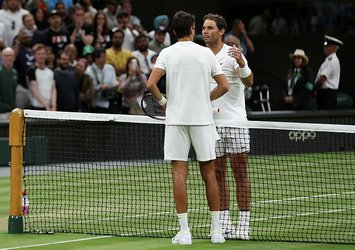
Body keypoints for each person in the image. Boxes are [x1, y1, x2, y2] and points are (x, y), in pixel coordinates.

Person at [146, 10, 229, 245]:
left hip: (176, 119)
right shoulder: (206, 53)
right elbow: (224, 86)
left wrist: (164, 104)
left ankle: (185, 233)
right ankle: (216, 232)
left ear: (174, 31)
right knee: (209, 174)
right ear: (192, 29)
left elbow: (151, 83)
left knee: (179, 174)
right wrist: (205, 99)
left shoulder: (166, 52)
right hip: (202, 119)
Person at [202, 13, 254, 240]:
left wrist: (242, 64)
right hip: (211, 123)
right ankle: (224, 223)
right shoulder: (201, 56)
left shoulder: (233, 53)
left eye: (210, 28)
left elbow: (249, 81)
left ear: (221, 31)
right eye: (203, 28)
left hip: (235, 122)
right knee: (218, 174)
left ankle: (244, 224)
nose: (205, 31)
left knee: (240, 172)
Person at [314, 35, 343, 110]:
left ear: (333, 47)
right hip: (326, 94)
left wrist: (314, 90)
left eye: (327, 45)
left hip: (327, 94)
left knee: (324, 118)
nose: (324, 47)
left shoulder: (331, 61)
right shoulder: (329, 60)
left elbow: (322, 79)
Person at [86, 48, 118, 113]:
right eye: (103, 57)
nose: (105, 59)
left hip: (110, 101)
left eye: (105, 56)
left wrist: (109, 86)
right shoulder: (89, 71)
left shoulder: (110, 68)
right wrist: (100, 87)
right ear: (96, 58)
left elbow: (115, 82)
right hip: (97, 104)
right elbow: (89, 89)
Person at [28, 43, 56, 111]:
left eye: (43, 54)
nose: (41, 56)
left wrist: (53, 105)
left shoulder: (51, 70)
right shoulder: (31, 70)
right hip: (37, 106)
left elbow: (53, 89)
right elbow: (35, 90)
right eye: (38, 54)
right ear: (35, 55)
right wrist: (46, 106)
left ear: (46, 55)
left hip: (50, 106)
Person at [0, 47, 17, 120]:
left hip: (11, 112)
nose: (9, 58)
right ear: (1, 57)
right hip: (1, 112)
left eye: (11, 55)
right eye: (7, 56)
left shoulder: (15, 72)